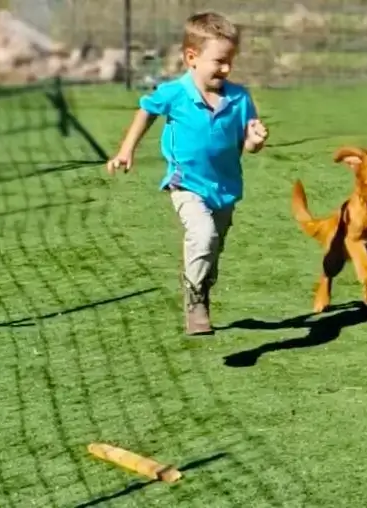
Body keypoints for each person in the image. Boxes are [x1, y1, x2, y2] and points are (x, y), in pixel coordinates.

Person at [106, 11, 269, 336]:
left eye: (230, 61)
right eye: (219, 61)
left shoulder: (240, 98)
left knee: (211, 251)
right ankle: (194, 294)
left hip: (224, 188)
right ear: (192, 58)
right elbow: (146, 111)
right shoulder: (175, 92)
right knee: (203, 235)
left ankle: (200, 291)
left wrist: (254, 140)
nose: (226, 68)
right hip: (186, 183)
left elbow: (248, 145)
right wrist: (126, 150)